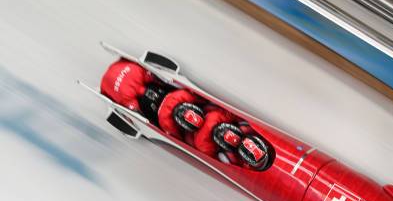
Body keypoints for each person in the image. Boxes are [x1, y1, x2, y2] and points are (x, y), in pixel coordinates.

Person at [101, 60, 269, 169]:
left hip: (160, 100)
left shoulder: (192, 133)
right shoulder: (200, 122)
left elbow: (173, 131)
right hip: (158, 97)